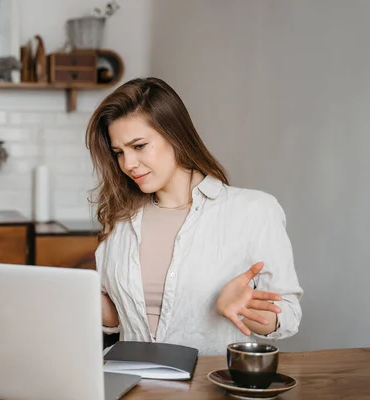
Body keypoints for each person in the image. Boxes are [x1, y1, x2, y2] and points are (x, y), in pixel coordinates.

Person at [86, 77, 303, 356]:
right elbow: (119, 323)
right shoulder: (120, 219)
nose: (128, 164)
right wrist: (93, 305)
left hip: (208, 389)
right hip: (129, 385)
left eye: (139, 146)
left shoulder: (253, 210)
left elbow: (289, 316)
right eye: (119, 152)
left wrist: (244, 310)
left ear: (175, 136)